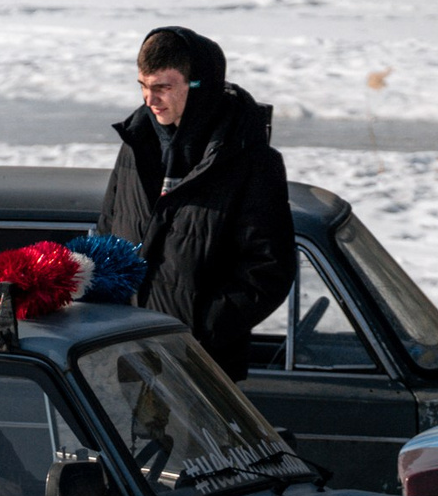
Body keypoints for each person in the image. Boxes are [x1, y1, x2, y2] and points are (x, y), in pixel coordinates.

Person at [97, 26, 295, 380]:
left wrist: (197, 329)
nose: (150, 99)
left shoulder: (250, 161)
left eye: (163, 87)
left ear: (199, 85)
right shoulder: (135, 145)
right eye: (143, 86)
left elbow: (267, 271)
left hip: (201, 369)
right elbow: (107, 234)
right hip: (128, 357)